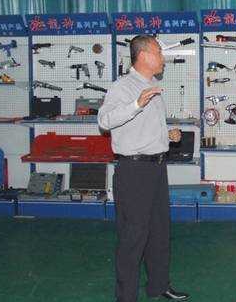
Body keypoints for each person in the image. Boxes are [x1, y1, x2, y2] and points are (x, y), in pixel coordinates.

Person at [98, 35, 189, 302]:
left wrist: (167, 135)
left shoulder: (152, 87)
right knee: (133, 237)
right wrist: (136, 104)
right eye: (159, 52)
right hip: (134, 172)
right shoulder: (123, 87)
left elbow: (142, 129)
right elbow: (104, 121)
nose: (163, 58)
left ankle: (159, 286)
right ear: (144, 55)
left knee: (160, 231)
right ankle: (126, 297)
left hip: (157, 168)